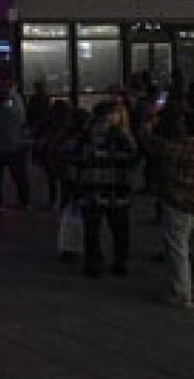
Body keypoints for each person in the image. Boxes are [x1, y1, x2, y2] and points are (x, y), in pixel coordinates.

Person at [141, 110, 194, 308]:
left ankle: (181, 292)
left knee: (177, 250)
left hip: (176, 204)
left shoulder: (170, 148)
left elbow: (148, 141)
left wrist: (148, 122)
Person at [68, 101, 140, 278]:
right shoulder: (122, 137)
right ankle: (120, 262)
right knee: (119, 230)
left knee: (92, 230)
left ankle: (93, 263)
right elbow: (133, 161)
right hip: (117, 191)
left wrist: (76, 183)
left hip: (90, 190)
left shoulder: (84, 136)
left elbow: (73, 161)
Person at [0, 79, 30, 210]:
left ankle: (3, 202)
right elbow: (21, 118)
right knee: (16, 176)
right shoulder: (15, 101)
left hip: (2, 146)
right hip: (12, 145)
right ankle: (23, 201)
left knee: (1, 178)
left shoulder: (2, 102)